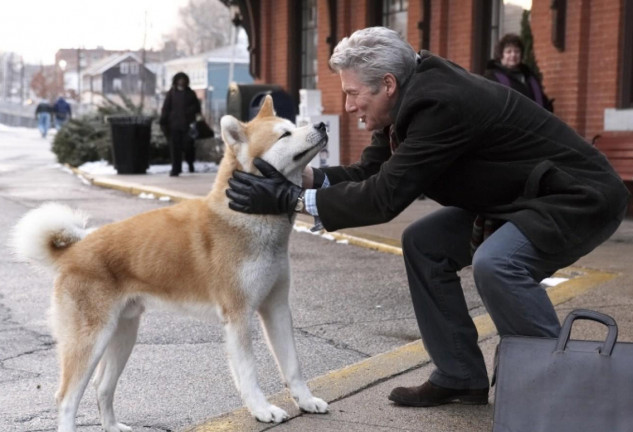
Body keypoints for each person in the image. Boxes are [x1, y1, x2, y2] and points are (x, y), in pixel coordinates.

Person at [225, 27, 629, 408]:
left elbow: (384, 197)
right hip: (520, 198)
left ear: (387, 84)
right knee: (424, 243)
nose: (348, 107)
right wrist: (301, 177)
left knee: (498, 264)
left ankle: (568, 388)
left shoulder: (440, 103)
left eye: (352, 94)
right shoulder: (406, 98)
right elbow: (371, 173)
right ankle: (459, 375)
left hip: (577, 197)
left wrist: (289, 199)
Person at [484, 33, 553, 112]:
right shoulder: (491, 78)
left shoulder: (530, 77)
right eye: (508, 52)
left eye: (517, 51)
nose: (513, 55)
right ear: (501, 55)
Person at [159, 72, 201, 177]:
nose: (181, 81)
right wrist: (163, 121)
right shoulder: (171, 94)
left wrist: (190, 115)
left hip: (188, 126)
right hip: (174, 126)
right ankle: (176, 169)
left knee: (188, 147)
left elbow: (197, 109)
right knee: (174, 149)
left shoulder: (191, 93)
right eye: (179, 79)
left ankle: (190, 163)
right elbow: (166, 109)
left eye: (183, 79)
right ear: (176, 81)